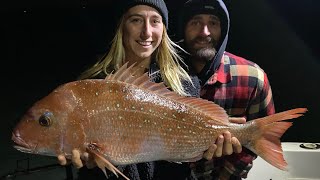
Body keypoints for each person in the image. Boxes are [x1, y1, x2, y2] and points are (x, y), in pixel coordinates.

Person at [57, 0, 242, 179]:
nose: (146, 32)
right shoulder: (94, 82)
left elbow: (185, 155)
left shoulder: (184, 81)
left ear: (163, 29)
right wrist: (87, 160)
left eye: (155, 21)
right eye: (136, 20)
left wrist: (215, 136)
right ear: (122, 26)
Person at [176, 0, 275, 179]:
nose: (204, 32)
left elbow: (258, 141)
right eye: (195, 22)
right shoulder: (161, 76)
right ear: (183, 28)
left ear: (223, 30)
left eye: (213, 23)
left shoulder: (253, 78)